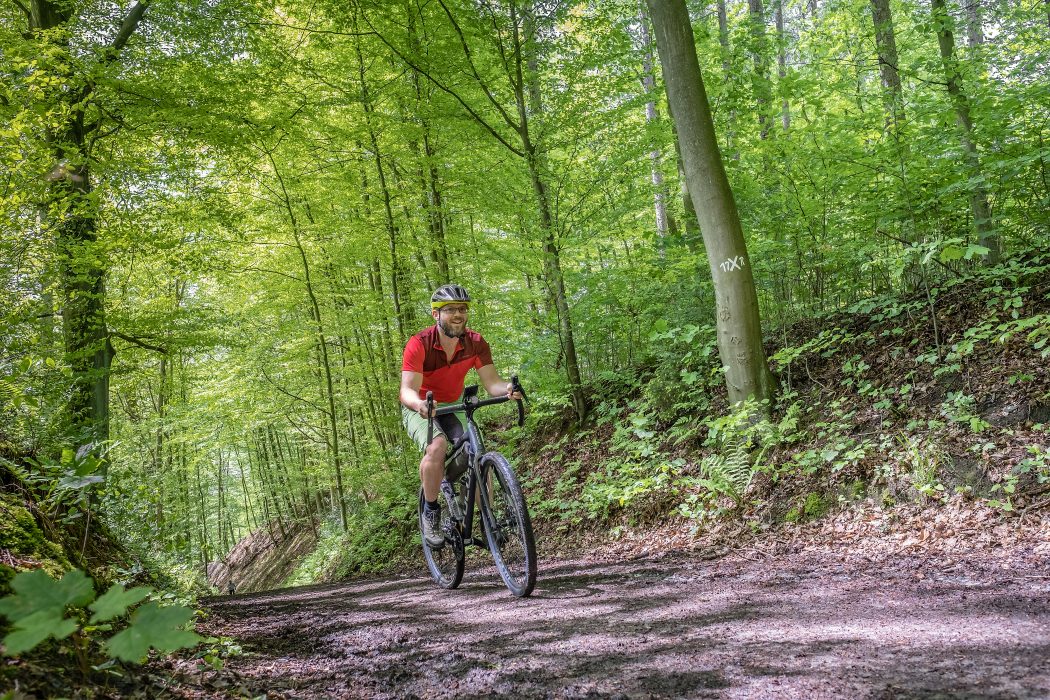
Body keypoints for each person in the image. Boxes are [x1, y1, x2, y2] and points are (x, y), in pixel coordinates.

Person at [400, 284, 521, 547]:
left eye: (463, 309)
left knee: (475, 449)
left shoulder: (475, 343)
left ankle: (486, 519)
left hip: (453, 404)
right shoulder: (419, 344)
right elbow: (406, 391)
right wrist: (420, 403)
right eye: (451, 309)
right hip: (421, 405)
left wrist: (509, 389)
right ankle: (430, 511)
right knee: (437, 445)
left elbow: (493, 384)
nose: (458, 314)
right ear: (436, 315)